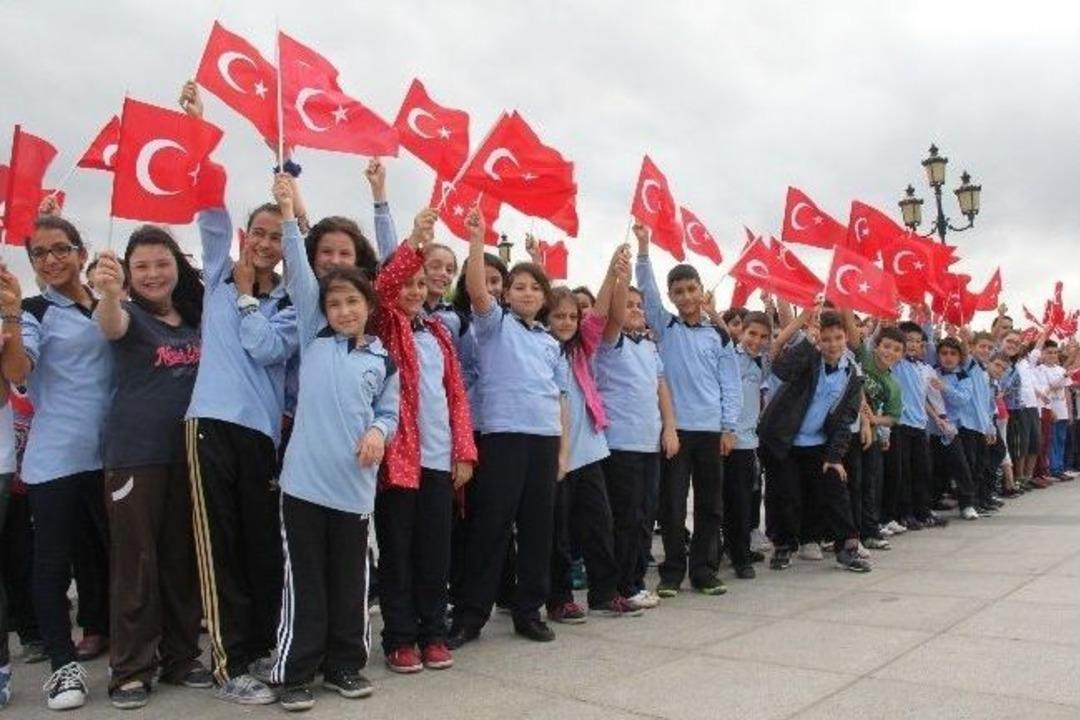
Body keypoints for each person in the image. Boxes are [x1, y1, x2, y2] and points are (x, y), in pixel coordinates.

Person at [182, 71, 298, 708]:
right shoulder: (218, 276)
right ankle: (227, 666)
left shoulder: (288, 304)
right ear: (245, 236)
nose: (266, 243)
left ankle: (258, 648)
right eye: (260, 233)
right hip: (210, 426)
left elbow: (268, 349)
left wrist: (252, 298)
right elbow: (208, 206)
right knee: (219, 546)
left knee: (259, 546)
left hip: (260, 436)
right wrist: (198, 129)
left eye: (277, 237)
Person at [268, 176, 400, 712]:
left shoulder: (382, 359)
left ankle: (345, 665)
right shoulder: (313, 335)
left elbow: (389, 413)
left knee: (351, 583)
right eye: (334, 303)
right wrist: (287, 212)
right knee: (306, 584)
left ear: (368, 304)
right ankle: (295, 672)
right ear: (321, 309)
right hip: (303, 488)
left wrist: (377, 432)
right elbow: (300, 271)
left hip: (354, 492)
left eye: (353, 301)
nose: (344, 310)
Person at [91, 228, 211, 709]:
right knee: (135, 565)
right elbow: (110, 325)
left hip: (187, 456)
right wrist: (109, 293)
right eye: (141, 266)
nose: (153, 274)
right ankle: (131, 670)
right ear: (127, 271)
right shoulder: (126, 313)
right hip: (135, 458)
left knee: (182, 561)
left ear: (177, 265)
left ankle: (181, 656)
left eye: (162, 263)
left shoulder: (193, 316)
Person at [0, 210, 112, 711]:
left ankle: (129, 651)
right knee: (51, 566)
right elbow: (18, 371)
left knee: (118, 559)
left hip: (112, 456)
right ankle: (63, 668)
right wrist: (8, 315)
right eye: (40, 253)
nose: (51, 260)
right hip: (57, 461)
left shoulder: (108, 303)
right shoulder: (33, 312)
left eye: (60, 249)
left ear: (81, 253)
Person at [449, 208, 568, 647]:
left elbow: (559, 399)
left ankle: (528, 611)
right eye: (519, 286)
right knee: (491, 526)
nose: (527, 293)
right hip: (502, 438)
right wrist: (477, 239)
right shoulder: (494, 325)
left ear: (544, 296)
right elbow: (478, 289)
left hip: (544, 441)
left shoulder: (550, 343)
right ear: (507, 294)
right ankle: (471, 616)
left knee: (538, 528)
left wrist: (562, 453)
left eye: (535, 287)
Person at [368, 207, 477, 674]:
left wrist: (464, 453)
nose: (413, 291)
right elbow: (385, 285)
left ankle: (433, 633)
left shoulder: (438, 333)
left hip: (438, 459)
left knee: (435, 552)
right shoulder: (384, 323)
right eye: (407, 283)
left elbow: (457, 398)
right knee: (398, 551)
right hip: (399, 459)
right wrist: (415, 239)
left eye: (420, 284)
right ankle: (400, 638)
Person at [633, 223, 741, 597]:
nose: (686, 296)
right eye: (678, 291)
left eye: (691, 289)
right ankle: (672, 572)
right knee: (673, 505)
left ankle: (704, 570)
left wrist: (729, 427)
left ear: (701, 290)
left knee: (710, 505)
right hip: (675, 431)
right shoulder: (665, 327)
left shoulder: (718, 335)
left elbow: (730, 384)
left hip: (710, 430)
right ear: (671, 296)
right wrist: (643, 248)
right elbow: (646, 291)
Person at [545, 248, 643, 622]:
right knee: (557, 532)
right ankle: (559, 599)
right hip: (554, 456)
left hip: (589, 450)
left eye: (573, 316)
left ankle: (605, 593)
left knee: (600, 526)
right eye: (559, 316)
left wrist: (613, 271)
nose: (567, 322)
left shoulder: (582, 349)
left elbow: (599, 313)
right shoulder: (541, 348)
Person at [758, 309, 870, 572]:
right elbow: (781, 370)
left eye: (838, 338)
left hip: (818, 442)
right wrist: (808, 342)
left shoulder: (852, 373)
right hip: (785, 439)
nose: (832, 345)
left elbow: (845, 418)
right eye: (826, 339)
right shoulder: (808, 358)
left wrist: (835, 456)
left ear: (846, 338)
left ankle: (847, 546)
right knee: (786, 495)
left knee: (835, 487)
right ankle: (784, 545)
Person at [595, 284, 677, 609]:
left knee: (645, 516)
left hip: (649, 443)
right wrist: (621, 275)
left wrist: (670, 427)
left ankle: (637, 580)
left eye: (638, 304)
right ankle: (621, 586)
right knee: (625, 517)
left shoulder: (649, 346)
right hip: (620, 443)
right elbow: (614, 318)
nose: (634, 309)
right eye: (627, 304)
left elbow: (661, 387)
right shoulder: (610, 342)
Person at [843, 312, 904, 549]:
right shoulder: (863, 357)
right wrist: (845, 302)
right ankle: (849, 533)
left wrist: (874, 419)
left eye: (897, 349)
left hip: (872, 437)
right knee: (852, 483)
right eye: (886, 346)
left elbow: (893, 417)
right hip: (848, 431)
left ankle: (869, 531)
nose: (890, 352)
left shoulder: (893, 385)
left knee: (870, 485)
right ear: (876, 346)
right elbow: (850, 329)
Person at [722, 311, 772, 578]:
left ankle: (739, 552)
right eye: (752, 333)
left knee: (743, 502)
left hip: (747, 443)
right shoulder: (729, 357)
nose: (756, 340)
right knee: (726, 502)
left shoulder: (761, 363)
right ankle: (732, 553)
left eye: (763, 336)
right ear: (741, 332)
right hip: (726, 439)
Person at [928, 336, 980, 520]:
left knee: (960, 466)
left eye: (952, 353)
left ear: (959, 357)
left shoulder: (963, 376)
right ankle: (931, 503)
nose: (948, 357)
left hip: (952, 430)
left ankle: (967, 504)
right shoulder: (931, 371)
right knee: (934, 467)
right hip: (931, 428)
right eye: (944, 353)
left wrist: (945, 388)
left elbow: (962, 400)